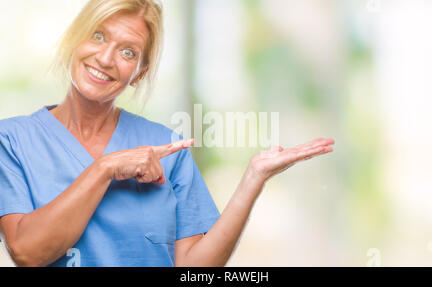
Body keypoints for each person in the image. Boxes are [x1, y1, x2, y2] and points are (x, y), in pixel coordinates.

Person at [0, 0, 334, 267]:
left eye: (127, 51)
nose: (105, 58)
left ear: (139, 72)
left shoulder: (167, 148)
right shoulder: (11, 140)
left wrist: (252, 180)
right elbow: (28, 253)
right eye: (98, 35)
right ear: (75, 39)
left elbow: (194, 269)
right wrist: (105, 168)